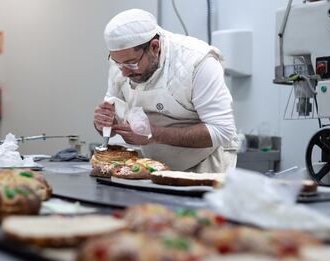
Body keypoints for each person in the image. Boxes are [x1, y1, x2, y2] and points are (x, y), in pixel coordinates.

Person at [93, 9, 238, 173]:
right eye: (118, 63)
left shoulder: (197, 61)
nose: (124, 72)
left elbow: (222, 131)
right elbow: (114, 116)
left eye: (131, 64)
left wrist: (153, 135)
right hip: (152, 166)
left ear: (154, 47)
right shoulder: (122, 61)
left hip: (205, 165)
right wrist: (104, 123)